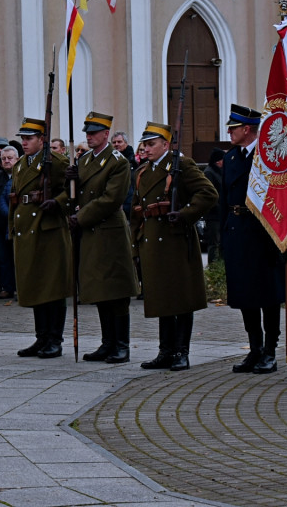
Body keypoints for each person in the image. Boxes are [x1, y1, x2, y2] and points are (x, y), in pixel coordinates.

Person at [131, 123, 217, 370]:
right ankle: (165, 351)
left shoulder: (182, 166)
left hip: (175, 240)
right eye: (144, 145)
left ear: (165, 145)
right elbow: (136, 211)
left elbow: (208, 193)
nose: (146, 148)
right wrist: (135, 245)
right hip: (151, 241)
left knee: (180, 300)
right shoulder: (142, 172)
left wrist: (185, 213)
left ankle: (181, 351)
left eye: (151, 144)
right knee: (161, 299)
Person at [67, 113, 141, 364]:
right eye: (87, 132)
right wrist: (71, 186)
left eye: (94, 132)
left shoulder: (117, 162)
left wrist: (82, 217)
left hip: (109, 231)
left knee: (116, 291)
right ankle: (107, 342)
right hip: (90, 231)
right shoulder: (84, 160)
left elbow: (112, 198)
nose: (89, 136)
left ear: (106, 135)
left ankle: (121, 345)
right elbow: (80, 195)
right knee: (99, 288)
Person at [221, 104, 284, 374]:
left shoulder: (267, 156)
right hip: (238, 229)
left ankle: (270, 350)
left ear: (247, 129)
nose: (229, 132)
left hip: (262, 230)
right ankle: (254, 348)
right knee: (245, 294)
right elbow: (225, 197)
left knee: (267, 294)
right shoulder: (233, 157)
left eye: (233, 128)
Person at [11, 118, 72, 358]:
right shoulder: (20, 165)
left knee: (52, 288)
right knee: (36, 286)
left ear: (42, 140)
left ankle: (54, 339)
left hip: (49, 230)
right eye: (22, 139)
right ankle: (41, 337)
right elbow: (15, 198)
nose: (24, 143)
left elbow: (72, 189)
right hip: (27, 228)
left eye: (29, 139)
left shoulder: (56, 162)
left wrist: (57, 202)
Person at [0, 145, 18, 299]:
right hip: (0, 226)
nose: (7, 161)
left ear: (17, 159)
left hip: (18, 225)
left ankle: (20, 288)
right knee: (3, 259)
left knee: (18, 258)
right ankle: (7, 287)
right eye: (4, 159)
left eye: (10, 158)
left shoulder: (22, 176)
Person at [203, 148, 224, 260]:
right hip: (213, 215)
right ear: (218, 161)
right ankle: (213, 269)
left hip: (220, 213)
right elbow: (210, 195)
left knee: (221, 242)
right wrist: (219, 208)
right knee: (214, 243)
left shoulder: (219, 172)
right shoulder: (209, 173)